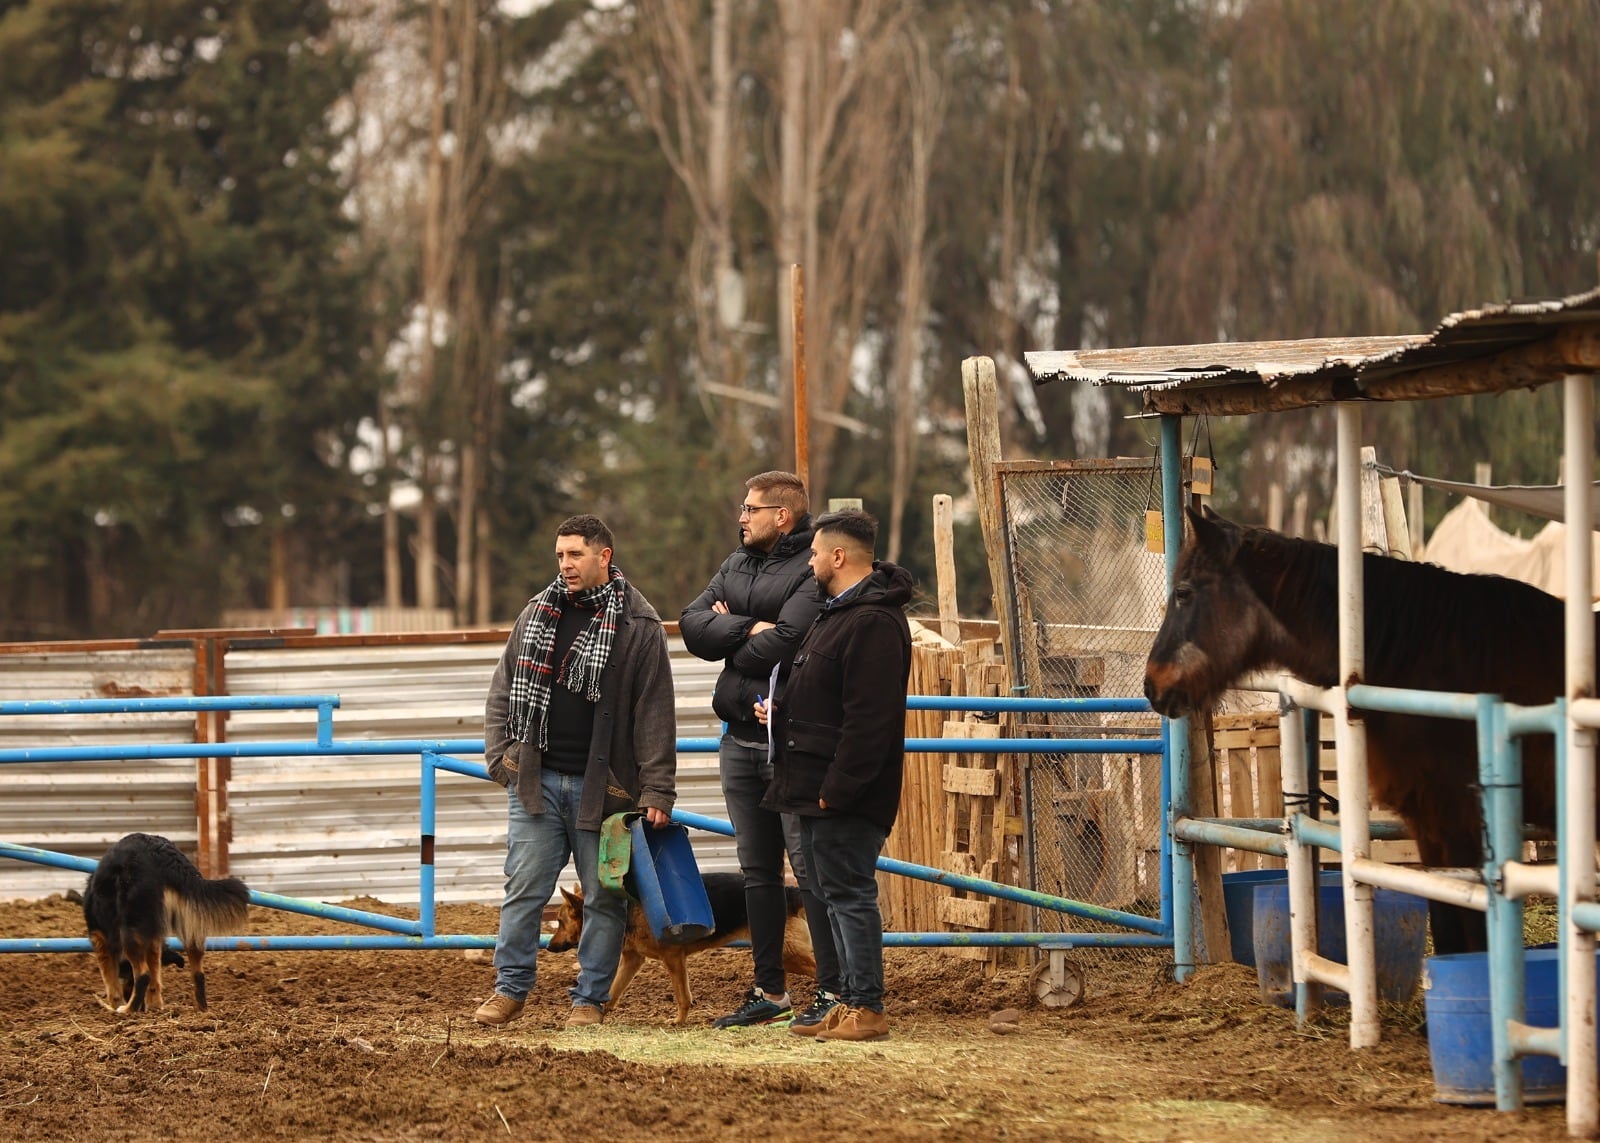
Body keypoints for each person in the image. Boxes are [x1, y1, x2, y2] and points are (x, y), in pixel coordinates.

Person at [475, 514, 677, 1029]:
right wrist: (501, 757)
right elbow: (503, 690)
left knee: (605, 898)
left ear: (603, 556)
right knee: (523, 889)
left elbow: (655, 712)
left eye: (574, 555)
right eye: (559, 555)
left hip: (605, 790)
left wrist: (657, 788)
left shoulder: (638, 624)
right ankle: (509, 991)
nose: (564, 564)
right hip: (535, 781)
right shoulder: (537, 612)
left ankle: (589, 1001)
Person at [680, 471, 843, 1029]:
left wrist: (735, 631)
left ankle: (833, 990)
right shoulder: (735, 562)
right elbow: (692, 626)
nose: (741, 517)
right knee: (758, 874)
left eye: (751, 509)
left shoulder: (812, 566)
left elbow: (792, 641)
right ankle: (769, 991)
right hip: (739, 742)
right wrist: (754, 630)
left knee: (809, 870)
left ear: (783, 516)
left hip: (789, 748)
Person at [757, 508, 912, 1043]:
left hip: (840, 793)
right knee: (830, 892)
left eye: (817, 552)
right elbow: (832, 695)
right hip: (814, 785)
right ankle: (846, 1002)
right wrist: (783, 709)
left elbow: (871, 718)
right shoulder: (840, 612)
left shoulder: (871, 621)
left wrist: (838, 790)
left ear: (839, 556)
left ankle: (866, 1007)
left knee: (849, 894)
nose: (811, 560)